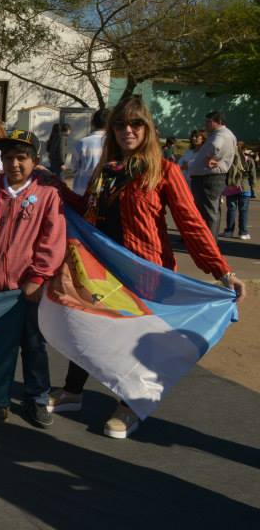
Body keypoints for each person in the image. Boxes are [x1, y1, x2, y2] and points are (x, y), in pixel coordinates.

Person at [45, 96, 246, 439]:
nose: (128, 131)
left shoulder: (164, 170)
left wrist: (221, 269)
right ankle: (72, 392)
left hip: (145, 271)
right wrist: (57, 189)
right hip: (101, 267)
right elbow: (87, 211)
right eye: (121, 124)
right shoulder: (105, 170)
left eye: (136, 124)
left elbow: (191, 223)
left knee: (134, 339)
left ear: (148, 129)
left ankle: (130, 406)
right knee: (90, 326)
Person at [0, 129, 66, 428]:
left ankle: (38, 398)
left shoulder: (47, 193)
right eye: (8, 158)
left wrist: (38, 277)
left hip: (27, 288)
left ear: (35, 160)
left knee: (33, 345)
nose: (15, 164)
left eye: (22, 158)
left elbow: (52, 241)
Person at [188, 110, 238, 238]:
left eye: (209, 121)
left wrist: (210, 156)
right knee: (208, 210)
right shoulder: (224, 134)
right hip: (208, 176)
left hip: (208, 177)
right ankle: (207, 239)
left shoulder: (220, 134)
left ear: (219, 122)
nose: (206, 124)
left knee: (209, 211)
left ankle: (209, 241)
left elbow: (216, 145)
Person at [69, 108, 109, 196]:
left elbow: (73, 168)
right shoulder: (113, 143)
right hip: (105, 192)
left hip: (81, 190)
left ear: (92, 123)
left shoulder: (82, 142)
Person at [221, 141, 255, 240]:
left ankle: (229, 231)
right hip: (245, 188)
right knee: (243, 211)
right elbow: (252, 176)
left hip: (231, 187)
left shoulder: (230, 160)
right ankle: (243, 232)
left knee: (231, 210)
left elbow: (225, 174)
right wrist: (253, 189)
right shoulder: (249, 160)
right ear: (245, 150)